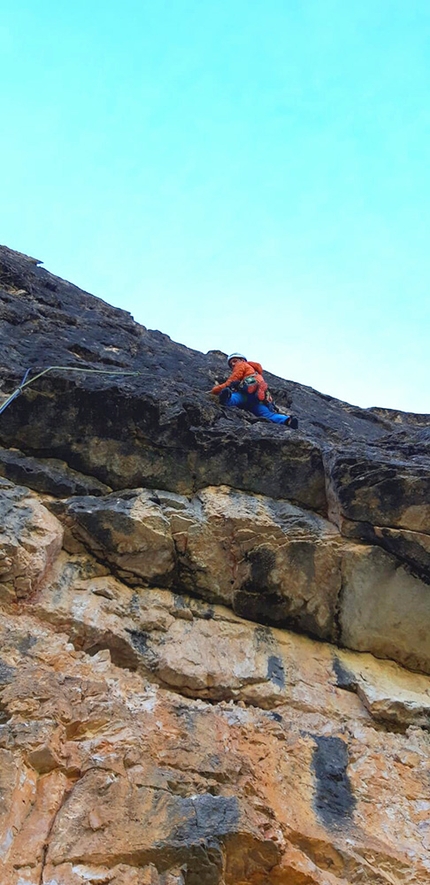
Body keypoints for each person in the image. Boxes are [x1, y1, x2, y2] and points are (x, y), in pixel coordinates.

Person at [210, 353, 298, 428]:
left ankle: (226, 398)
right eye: (231, 363)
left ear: (242, 360)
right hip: (257, 400)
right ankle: (287, 420)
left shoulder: (241, 365)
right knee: (267, 415)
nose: (233, 364)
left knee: (234, 398)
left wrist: (216, 390)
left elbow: (233, 379)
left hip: (245, 395)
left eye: (234, 361)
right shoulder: (257, 373)